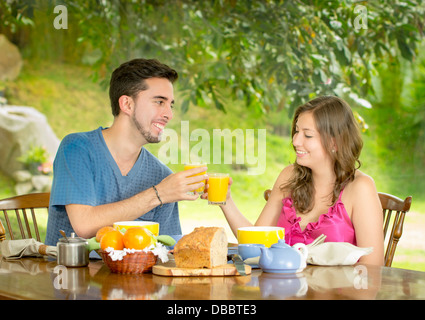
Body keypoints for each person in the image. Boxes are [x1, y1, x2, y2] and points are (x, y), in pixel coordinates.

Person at [45, 58, 207, 245]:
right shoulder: (77, 149)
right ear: (127, 105)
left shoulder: (162, 176)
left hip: (135, 275)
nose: (169, 114)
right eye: (159, 102)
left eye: (170, 105)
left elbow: (167, 249)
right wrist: (158, 194)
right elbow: (84, 224)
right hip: (72, 273)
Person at [206, 96, 384, 265]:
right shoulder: (290, 176)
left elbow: (373, 268)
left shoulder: (360, 188)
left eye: (307, 135)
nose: (295, 140)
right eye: (297, 131)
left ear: (334, 143)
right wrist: (226, 201)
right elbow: (256, 241)